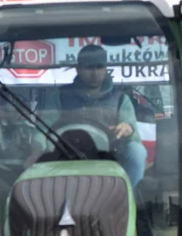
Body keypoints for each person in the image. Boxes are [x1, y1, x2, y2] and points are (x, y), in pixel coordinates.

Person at [30, 44, 147, 185]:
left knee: (137, 151)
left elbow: (134, 137)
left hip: (109, 158)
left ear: (105, 69)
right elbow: (44, 130)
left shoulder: (121, 99)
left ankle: (128, 198)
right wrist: (36, 151)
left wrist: (127, 130)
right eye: (89, 67)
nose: (95, 73)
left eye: (99, 67)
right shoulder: (59, 96)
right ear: (78, 69)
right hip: (66, 157)